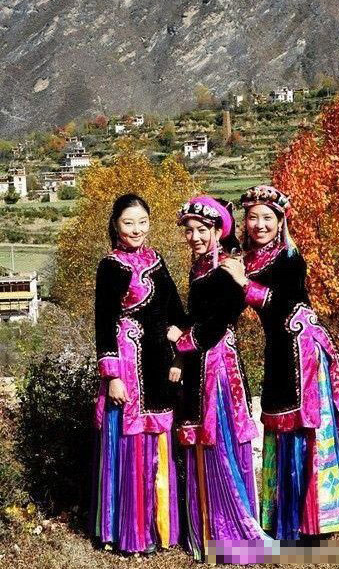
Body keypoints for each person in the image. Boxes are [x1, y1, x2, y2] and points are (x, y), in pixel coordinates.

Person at [220, 184, 339, 540]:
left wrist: (243, 283)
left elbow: (283, 302)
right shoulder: (248, 259)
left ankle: (317, 518)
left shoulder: (289, 257)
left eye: (267, 218)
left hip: (304, 353)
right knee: (279, 420)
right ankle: (282, 516)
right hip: (279, 350)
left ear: (280, 221)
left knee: (306, 426)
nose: (259, 225)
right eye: (252, 217)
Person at [167, 195, 267, 561]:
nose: (194, 237)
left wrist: (181, 341)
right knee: (201, 438)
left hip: (219, 367)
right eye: (189, 230)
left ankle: (230, 532)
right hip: (201, 362)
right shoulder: (199, 267)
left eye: (201, 230)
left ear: (217, 230)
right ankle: (206, 534)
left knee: (219, 438)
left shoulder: (227, 267)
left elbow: (217, 322)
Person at [91, 193, 185, 554]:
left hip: (159, 366)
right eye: (128, 223)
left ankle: (159, 528)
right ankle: (130, 533)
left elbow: (176, 310)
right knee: (130, 445)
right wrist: (112, 375)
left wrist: (182, 342)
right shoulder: (111, 266)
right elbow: (103, 323)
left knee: (158, 440)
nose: (136, 230)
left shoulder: (157, 261)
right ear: (116, 225)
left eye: (142, 222)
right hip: (128, 368)